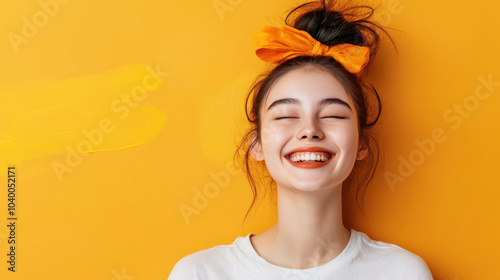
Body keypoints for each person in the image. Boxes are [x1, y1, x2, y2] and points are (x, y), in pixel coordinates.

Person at [168, 0, 433, 279]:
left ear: (361, 144)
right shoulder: (200, 273)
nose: (310, 130)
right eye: (285, 116)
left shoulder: (402, 272)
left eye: (333, 115)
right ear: (257, 144)